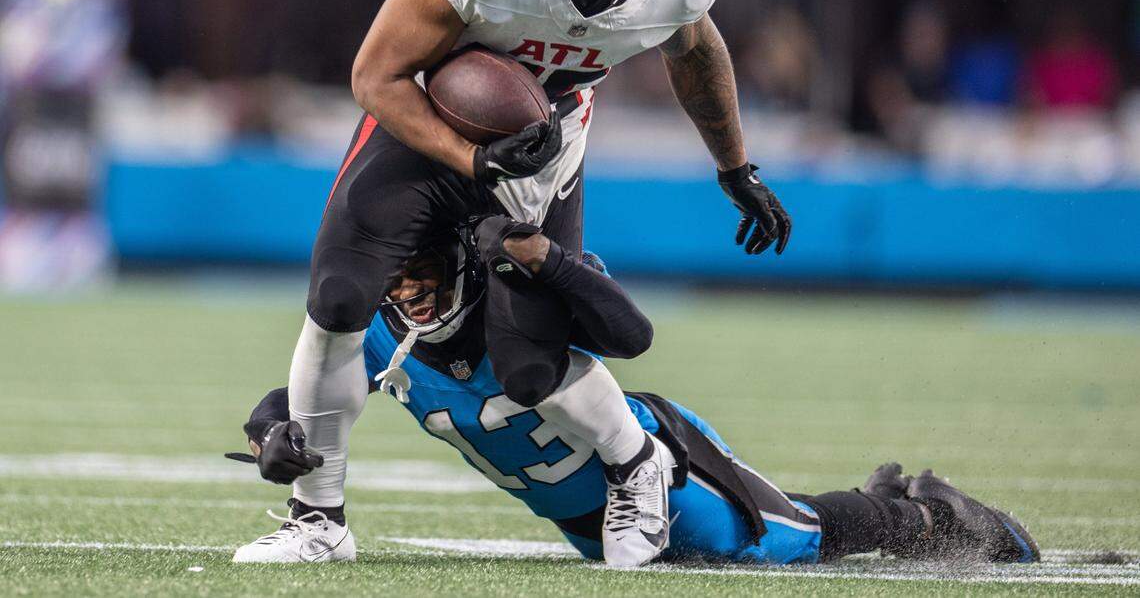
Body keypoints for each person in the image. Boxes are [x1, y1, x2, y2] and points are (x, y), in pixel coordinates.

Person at [239, 0, 793, 566]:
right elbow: (376, 77)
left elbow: (696, 50)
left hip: (548, 144)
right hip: (435, 122)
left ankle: (640, 463)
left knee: (528, 365)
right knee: (339, 295)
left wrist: (735, 167)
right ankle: (316, 518)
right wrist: (468, 156)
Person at [229, 220, 1040, 567]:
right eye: (395, 278)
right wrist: (274, 431)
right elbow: (306, 399)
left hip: (656, 467)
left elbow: (629, 330)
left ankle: (928, 512)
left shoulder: (516, 301)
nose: (407, 294)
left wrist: (548, 263)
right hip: (584, 520)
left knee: (794, 539)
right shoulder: (379, 331)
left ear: (464, 265)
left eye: (424, 275)